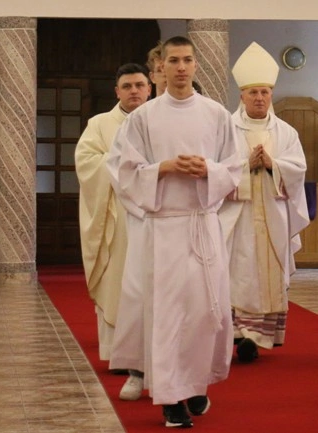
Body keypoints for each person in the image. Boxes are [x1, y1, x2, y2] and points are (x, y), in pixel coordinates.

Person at [112, 35, 242, 429]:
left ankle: (197, 384)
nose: (181, 67)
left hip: (203, 224)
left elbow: (233, 168)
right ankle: (170, 398)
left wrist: (208, 170)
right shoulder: (143, 118)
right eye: (173, 61)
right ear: (161, 67)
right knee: (168, 315)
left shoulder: (217, 114)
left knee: (205, 313)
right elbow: (125, 172)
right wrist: (163, 168)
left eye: (187, 60)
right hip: (165, 228)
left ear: (195, 64)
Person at [219, 42, 310, 363]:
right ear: (242, 95)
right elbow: (215, 170)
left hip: (273, 216)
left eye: (265, 92)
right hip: (237, 217)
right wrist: (246, 167)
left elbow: (298, 169)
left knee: (265, 275)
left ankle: (256, 337)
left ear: (271, 95)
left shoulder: (286, 132)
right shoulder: (225, 130)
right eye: (253, 92)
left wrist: (273, 165)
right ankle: (236, 332)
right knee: (236, 273)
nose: (259, 98)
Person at [74, 63, 150, 393]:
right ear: (116, 91)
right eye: (127, 86)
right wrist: (119, 163)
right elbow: (85, 162)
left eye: (139, 85)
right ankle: (118, 354)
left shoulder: (159, 121)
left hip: (154, 214)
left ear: (149, 89)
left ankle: (151, 354)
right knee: (118, 280)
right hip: (117, 216)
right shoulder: (100, 124)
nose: (134, 91)